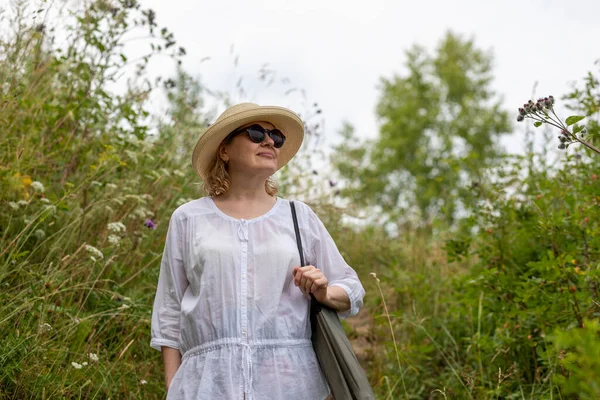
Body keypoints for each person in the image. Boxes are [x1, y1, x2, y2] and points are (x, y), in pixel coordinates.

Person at [150, 102, 366, 400]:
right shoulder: (188, 218)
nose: (269, 141)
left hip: (290, 385)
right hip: (208, 386)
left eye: (276, 137)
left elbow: (352, 288)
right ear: (224, 150)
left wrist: (325, 293)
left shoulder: (298, 216)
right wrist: (174, 388)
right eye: (255, 133)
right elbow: (170, 312)